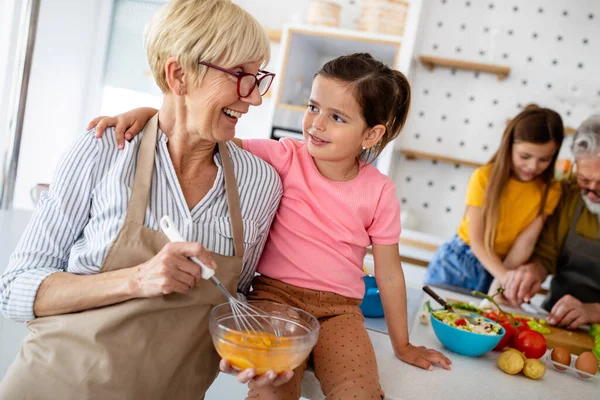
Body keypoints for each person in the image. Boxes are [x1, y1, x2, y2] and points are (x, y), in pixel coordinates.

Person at [90, 52, 452, 400]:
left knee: (360, 392)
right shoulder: (285, 155)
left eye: (337, 117)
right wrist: (148, 113)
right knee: (270, 390)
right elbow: (206, 132)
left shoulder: (379, 191)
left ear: (372, 135)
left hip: (339, 311)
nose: (317, 124)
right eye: (313, 107)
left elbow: (389, 274)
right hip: (273, 300)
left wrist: (401, 345)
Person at [0, 1, 288, 398]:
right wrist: (136, 279)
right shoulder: (104, 151)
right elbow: (14, 290)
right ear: (179, 75)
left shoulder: (260, 184)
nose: (254, 98)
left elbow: (233, 299)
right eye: (240, 75)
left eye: (258, 78)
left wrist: (255, 349)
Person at [424, 105, 564, 294]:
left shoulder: (551, 190)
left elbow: (525, 243)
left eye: (544, 159)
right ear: (509, 146)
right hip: (458, 263)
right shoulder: (483, 178)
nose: (533, 166)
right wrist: (506, 279)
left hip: (501, 266)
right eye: (525, 156)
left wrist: (500, 281)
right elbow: (477, 242)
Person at [501, 114, 600, 329]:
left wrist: (592, 310)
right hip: (557, 318)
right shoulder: (569, 192)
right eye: (584, 179)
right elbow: (547, 254)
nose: (591, 190)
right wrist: (533, 271)